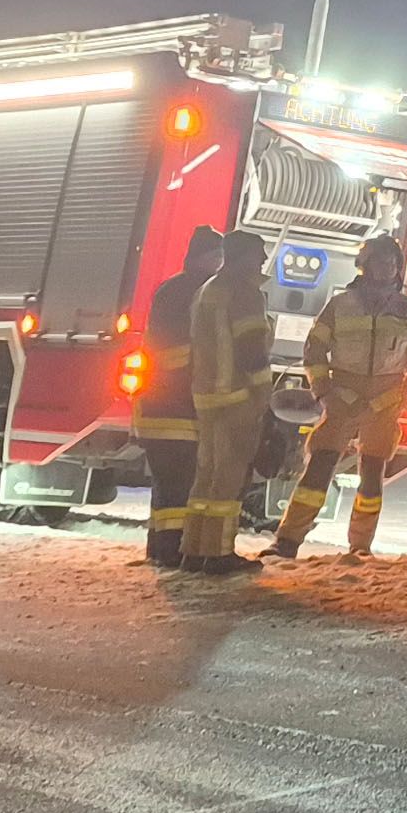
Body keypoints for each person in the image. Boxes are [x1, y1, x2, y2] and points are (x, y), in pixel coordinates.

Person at [268, 232, 407, 559]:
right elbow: (314, 350)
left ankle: (361, 546)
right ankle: (286, 541)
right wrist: (323, 391)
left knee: (372, 474)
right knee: (321, 465)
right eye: (379, 261)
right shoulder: (340, 305)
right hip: (342, 396)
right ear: (364, 265)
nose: (386, 268)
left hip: (385, 400)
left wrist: (406, 396)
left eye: (392, 262)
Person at [180, 228, 273, 573]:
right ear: (243, 256)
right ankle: (218, 555)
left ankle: (193, 549)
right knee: (229, 478)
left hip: (206, 395)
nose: (263, 260)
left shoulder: (207, 291)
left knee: (205, 476)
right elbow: (251, 348)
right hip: (238, 397)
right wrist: (264, 393)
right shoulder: (244, 293)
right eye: (259, 253)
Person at [132, 225, 224, 568]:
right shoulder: (193, 293)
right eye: (215, 255)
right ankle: (171, 551)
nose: (219, 262)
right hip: (173, 407)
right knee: (177, 486)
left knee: (166, 485)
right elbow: (185, 350)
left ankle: (158, 548)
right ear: (202, 257)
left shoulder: (174, 289)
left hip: (161, 406)